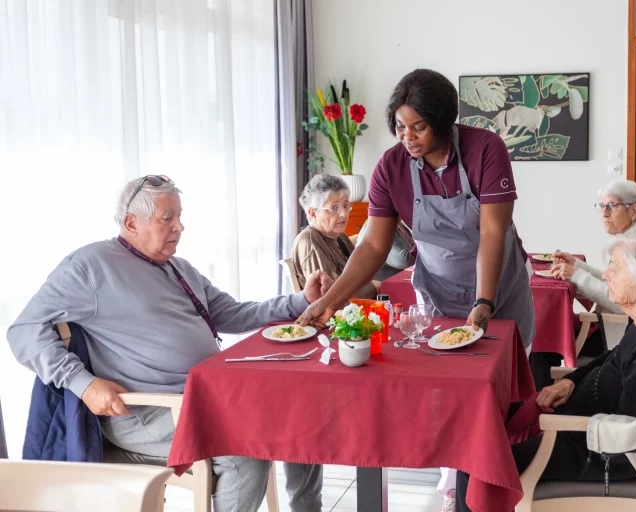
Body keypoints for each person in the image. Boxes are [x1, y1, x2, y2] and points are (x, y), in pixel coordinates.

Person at [7, 175, 329, 512]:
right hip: (148, 412)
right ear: (132, 223)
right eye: (167, 218)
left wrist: (299, 301)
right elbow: (24, 329)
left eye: (179, 216)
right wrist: (83, 385)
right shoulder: (90, 265)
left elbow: (232, 314)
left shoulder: (179, 268)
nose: (180, 226)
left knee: (296, 408)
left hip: (206, 398)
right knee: (243, 450)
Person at [298, 68, 535, 512]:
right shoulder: (391, 167)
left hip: (497, 287)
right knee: (447, 402)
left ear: (444, 120)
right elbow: (373, 243)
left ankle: (487, 496)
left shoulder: (486, 150)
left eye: (419, 126)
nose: (408, 137)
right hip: (440, 293)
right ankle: (455, 487)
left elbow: (492, 234)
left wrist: (484, 302)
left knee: (497, 401)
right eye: (400, 127)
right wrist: (330, 301)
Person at [455, 229, 636, 512]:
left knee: (474, 458)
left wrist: (562, 423)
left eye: (614, 268)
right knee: (488, 422)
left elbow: (631, 431)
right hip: (583, 428)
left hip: (601, 451)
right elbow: (613, 359)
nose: (605, 276)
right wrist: (570, 382)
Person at [551, 179, 636, 313]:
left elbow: (622, 300)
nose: (604, 213)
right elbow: (611, 282)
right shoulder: (630, 238)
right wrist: (575, 264)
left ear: (634, 210)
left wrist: (576, 275)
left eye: (613, 205)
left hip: (614, 328)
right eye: (602, 206)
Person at [293, 174, 379, 298]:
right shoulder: (309, 241)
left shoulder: (339, 236)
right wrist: (374, 287)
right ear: (313, 213)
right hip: (338, 315)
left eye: (345, 205)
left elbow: (361, 274)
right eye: (334, 208)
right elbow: (331, 297)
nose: (343, 214)